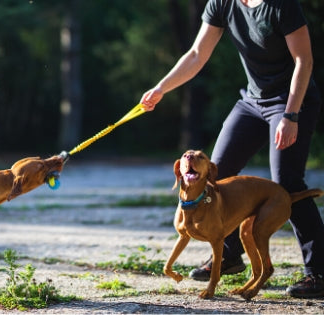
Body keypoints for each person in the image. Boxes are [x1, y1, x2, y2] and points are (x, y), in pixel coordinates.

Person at [139, 0, 324, 298]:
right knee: (214, 172)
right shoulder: (222, 3)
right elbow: (198, 54)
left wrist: (290, 115)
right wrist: (161, 88)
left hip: (290, 100)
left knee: (287, 181)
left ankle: (319, 272)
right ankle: (228, 254)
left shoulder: (282, 6)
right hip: (252, 101)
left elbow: (304, 61)